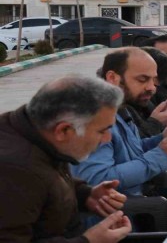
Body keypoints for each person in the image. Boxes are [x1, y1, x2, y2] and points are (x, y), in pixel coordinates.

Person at [0, 76, 133, 242]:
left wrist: (85, 195)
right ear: (63, 131)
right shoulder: (15, 171)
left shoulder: (33, 130)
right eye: (101, 131)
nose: (107, 138)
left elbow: (47, 179)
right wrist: (89, 241)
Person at [72, 48, 167, 198]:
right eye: (142, 80)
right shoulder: (93, 117)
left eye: (153, 80)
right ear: (112, 78)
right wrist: (161, 155)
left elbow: (131, 151)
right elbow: (98, 179)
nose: (151, 88)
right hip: (121, 211)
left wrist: (162, 139)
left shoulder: (120, 107)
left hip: (141, 195)